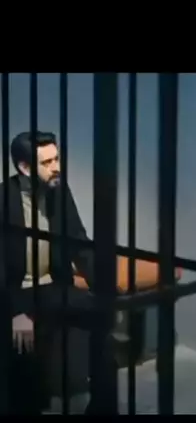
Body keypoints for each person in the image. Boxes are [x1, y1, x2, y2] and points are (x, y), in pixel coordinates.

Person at [0, 131, 116, 414]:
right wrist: (16, 311)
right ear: (24, 167)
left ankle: (98, 405)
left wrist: (104, 289)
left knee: (101, 314)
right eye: (47, 162)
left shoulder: (59, 192)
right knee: (25, 363)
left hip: (54, 287)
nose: (57, 167)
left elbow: (79, 242)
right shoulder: (3, 198)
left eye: (57, 158)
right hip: (17, 292)